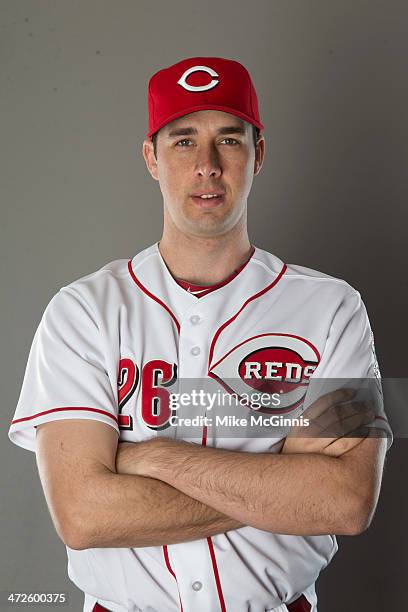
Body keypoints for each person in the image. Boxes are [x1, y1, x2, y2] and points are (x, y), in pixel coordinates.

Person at [9, 56, 392, 612]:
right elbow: (84, 516)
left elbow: (347, 500)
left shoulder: (334, 308)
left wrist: (154, 457)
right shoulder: (82, 312)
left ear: (258, 153)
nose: (207, 165)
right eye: (184, 141)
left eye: (229, 140)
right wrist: (285, 482)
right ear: (152, 158)